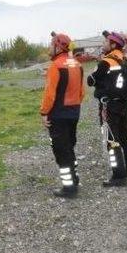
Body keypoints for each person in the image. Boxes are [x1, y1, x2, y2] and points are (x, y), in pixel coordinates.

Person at [88, 31, 127, 187]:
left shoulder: (106, 61)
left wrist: (97, 71)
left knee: (112, 140)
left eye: (105, 42)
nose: (103, 44)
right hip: (124, 104)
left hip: (109, 106)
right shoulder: (125, 59)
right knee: (126, 137)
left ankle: (119, 176)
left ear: (112, 45)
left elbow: (91, 80)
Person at [40, 33, 85, 198]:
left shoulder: (55, 66)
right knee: (69, 147)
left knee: (61, 150)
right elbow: (82, 92)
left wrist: (44, 112)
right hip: (74, 112)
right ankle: (74, 179)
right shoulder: (77, 64)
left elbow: (49, 94)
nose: (49, 48)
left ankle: (69, 188)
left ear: (58, 46)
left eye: (51, 44)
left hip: (58, 114)